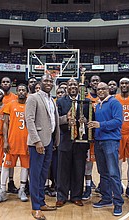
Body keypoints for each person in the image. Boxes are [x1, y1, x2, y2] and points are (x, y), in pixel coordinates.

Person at [25, 74, 60, 220]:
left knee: (43, 175)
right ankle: (36, 207)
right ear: (40, 83)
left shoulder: (51, 99)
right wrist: (37, 141)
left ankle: (41, 202)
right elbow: (29, 120)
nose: (48, 83)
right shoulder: (33, 98)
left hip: (49, 141)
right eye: (46, 80)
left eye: (50, 81)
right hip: (38, 143)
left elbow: (51, 120)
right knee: (35, 174)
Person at [88, 82, 124, 216]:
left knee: (113, 173)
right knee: (103, 172)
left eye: (103, 88)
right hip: (99, 142)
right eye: (98, 89)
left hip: (111, 141)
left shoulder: (114, 103)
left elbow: (118, 121)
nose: (101, 91)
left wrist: (100, 124)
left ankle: (118, 203)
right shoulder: (97, 104)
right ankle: (107, 198)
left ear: (108, 89)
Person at [56, 78, 92, 207]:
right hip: (65, 140)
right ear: (66, 87)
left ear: (78, 87)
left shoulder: (87, 102)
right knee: (62, 171)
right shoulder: (60, 101)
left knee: (79, 169)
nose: (72, 86)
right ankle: (61, 196)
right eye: (70, 84)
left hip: (81, 142)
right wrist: (66, 120)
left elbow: (91, 121)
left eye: (74, 84)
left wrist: (86, 120)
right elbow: (56, 121)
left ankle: (77, 196)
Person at [0, 84, 29, 204]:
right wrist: (6, 141)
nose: (21, 92)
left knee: (25, 167)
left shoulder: (30, 105)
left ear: (27, 92)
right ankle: (2, 191)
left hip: (26, 142)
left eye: (24, 90)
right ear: (16, 92)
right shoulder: (10, 105)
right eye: (19, 90)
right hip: (12, 142)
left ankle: (22, 190)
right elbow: (5, 124)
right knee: (6, 166)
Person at [82, 75, 101, 200]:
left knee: (101, 164)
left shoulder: (104, 97)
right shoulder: (86, 99)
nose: (95, 83)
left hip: (101, 135)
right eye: (93, 81)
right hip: (89, 136)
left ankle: (103, 185)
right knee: (88, 163)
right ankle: (88, 187)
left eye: (97, 81)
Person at [0, 76, 18, 193]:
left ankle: (11, 182)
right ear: (1, 84)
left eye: (7, 81)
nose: (5, 83)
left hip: (10, 133)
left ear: (11, 84)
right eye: (3, 82)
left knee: (9, 160)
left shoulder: (15, 98)